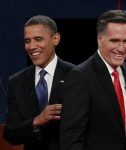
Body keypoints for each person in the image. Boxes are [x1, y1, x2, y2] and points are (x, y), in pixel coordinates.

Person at [59, 10, 126, 150]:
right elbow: (71, 140)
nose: (121, 48)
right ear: (99, 39)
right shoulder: (80, 76)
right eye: (114, 41)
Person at [3, 15, 75, 150]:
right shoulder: (17, 82)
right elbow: (10, 133)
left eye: (38, 39)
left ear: (55, 39)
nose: (31, 46)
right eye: (27, 41)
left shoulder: (76, 75)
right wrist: (37, 121)